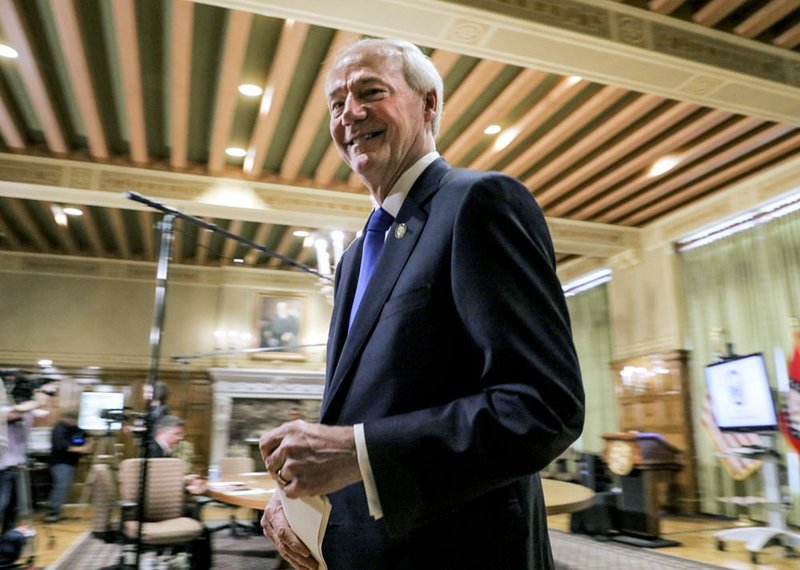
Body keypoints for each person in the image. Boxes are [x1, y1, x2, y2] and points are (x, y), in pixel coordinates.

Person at [258, 38, 584, 570]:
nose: (351, 113)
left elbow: (544, 408)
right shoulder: (355, 256)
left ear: (429, 104)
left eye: (371, 92)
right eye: (337, 104)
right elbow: (354, 417)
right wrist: (299, 493)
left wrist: (357, 452)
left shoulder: (478, 203)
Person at [45, 410, 92, 522]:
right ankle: (52, 512)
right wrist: (81, 449)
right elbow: (61, 445)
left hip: (69, 463)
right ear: (68, 419)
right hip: (60, 463)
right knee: (61, 486)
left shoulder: (74, 428)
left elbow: (83, 436)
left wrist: (88, 442)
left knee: (64, 487)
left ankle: (56, 511)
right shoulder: (59, 428)